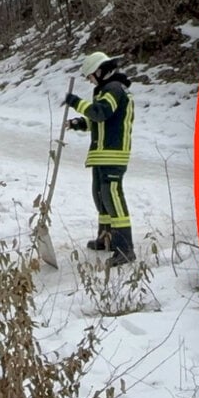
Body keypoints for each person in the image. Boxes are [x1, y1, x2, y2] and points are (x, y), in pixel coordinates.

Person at [64, 52, 136, 267]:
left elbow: (100, 113)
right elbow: (98, 121)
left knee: (112, 196)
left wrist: (76, 102)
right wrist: (77, 123)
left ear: (100, 70)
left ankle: (125, 248)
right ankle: (106, 238)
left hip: (113, 153)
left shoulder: (113, 89)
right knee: (100, 196)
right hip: (101, 154)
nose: (89, 80)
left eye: (90, 76)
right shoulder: (106, 90)